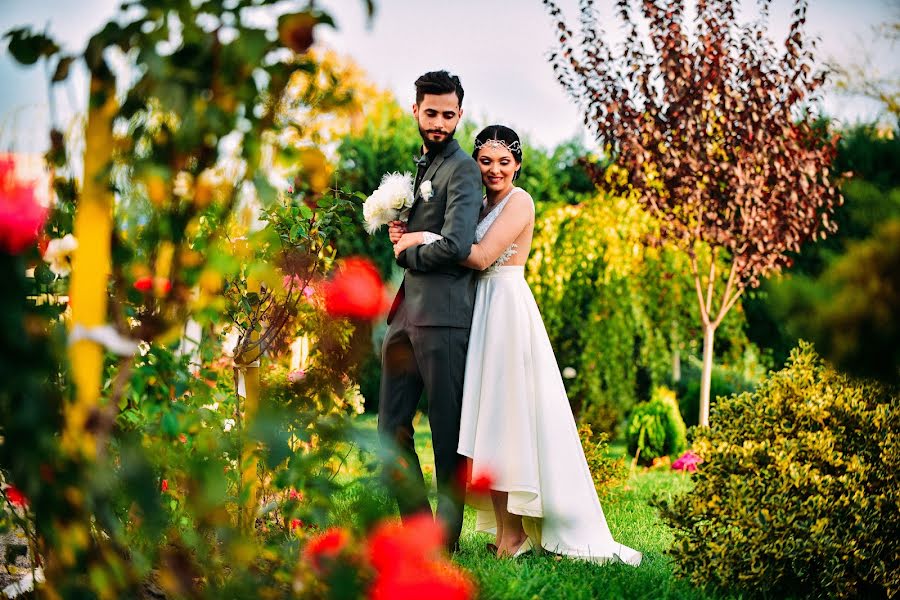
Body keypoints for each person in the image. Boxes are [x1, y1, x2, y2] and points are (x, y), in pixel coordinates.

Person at [392, 125, 642, 565]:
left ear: (518, 165)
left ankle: (515, 536)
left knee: (507, 421)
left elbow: (483, 256)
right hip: (478, 306)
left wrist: (423, 239)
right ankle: (509, 532)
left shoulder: (520, 200)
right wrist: (413, 230)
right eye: (486, 161)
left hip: (505, 307)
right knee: (492, 423)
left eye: (504, 162)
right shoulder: (478, 202)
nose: (494, 170)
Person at [378, 70, 483, 553]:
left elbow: (458, 244)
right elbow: (428, 230)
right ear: (415, 110)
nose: (439, 122)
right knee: (389, 430)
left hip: (443, 314)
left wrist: (408, 252)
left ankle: (445, 540)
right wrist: (401, 232)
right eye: (431, 112)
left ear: (459, 114)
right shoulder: (422, 165)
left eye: (448, 114)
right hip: (404, 316)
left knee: (447, 431)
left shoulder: (463, 169)